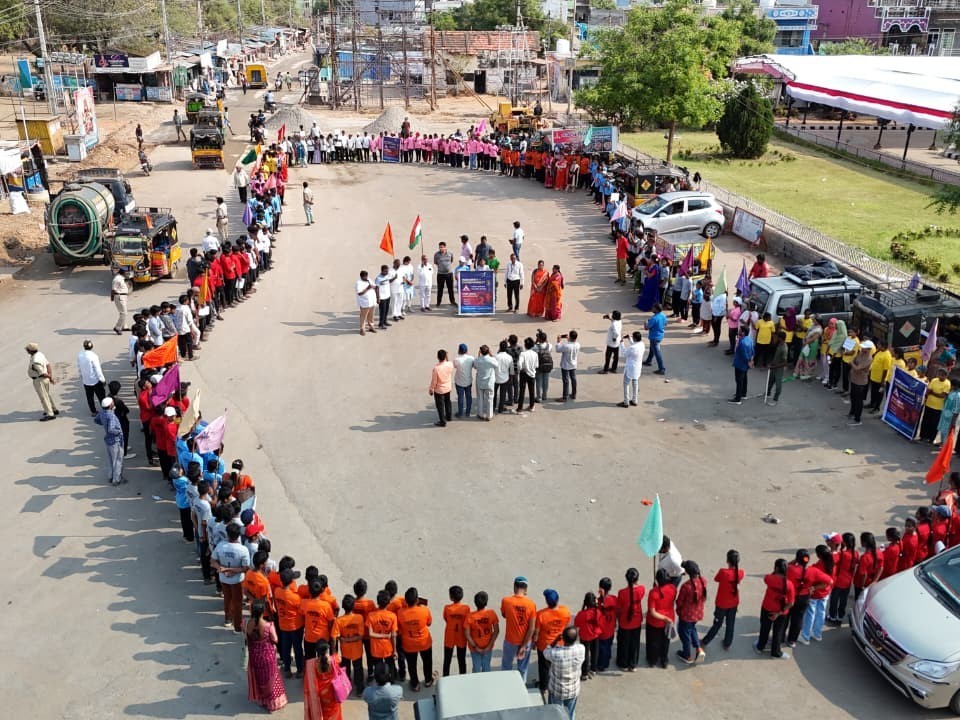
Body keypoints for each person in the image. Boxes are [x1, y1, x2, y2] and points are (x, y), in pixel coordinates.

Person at [246, 600, 288, 712]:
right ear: (262, 612)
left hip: (255, 656)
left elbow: (245, 636)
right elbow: (275, 639)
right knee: (271, 680)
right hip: (267, 657)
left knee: (260, 679)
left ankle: (262, 700)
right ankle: (272, 703)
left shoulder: (247, 624)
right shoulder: (268, 626)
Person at [211, 523, 251, 632]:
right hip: (237, 580)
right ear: (238, 535)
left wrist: (221, 569)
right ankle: (237, 627)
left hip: (223, 578)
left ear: (227, 534)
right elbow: (245, 568)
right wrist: (233, 571)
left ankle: (227, 619)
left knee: (227, 599)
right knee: (237, 602)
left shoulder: (220, 546)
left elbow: (213, 560)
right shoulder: (243, 549)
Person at [701, 549, 743, 651]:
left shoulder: (723, 572)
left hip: (721, 603)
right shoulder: (741, 573)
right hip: (733, 603)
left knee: (717, 623)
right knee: (730, 624)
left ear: (727, 560)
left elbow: (716, 579)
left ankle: (706, 641)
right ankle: (727, 644)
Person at [533, 589, 571, 695]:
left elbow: (536, 632)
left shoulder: (541, 614)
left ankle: (544, 687)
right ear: (557, 600)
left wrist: (534, 643)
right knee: (557, 666)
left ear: (546, 601)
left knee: (543, 667)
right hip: (560, 644)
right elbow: (567, 627)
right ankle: (557, 684)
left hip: (544, 646)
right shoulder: (565, 611)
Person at [754, 559, 794, 659]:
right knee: (778, 632)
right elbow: (791, 603)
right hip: (781, 611)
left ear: (776, 568)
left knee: (764, 628)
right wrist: (779, 613)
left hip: (767, 608)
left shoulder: (769, 578)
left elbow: (768, 577)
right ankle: (776, 652)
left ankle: (760, 647)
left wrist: (775, 572)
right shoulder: (789, 584)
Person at [397, 587, 434, 691]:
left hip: (409, 644)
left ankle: (415, 684)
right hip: (424, 642)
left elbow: (399, 627)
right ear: (417, 600)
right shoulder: (424, 610)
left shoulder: (400, 613)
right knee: (427, 662)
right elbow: (429, 623)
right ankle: (428, 680)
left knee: (411, 665)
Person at [544, 627, 585, 720]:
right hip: (573, 690)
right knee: (569, 714)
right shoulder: (581, 649)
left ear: (563, 638)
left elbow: (545, 651)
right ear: (576, 638)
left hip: (556, 690)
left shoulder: (555, 653)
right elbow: (577, 643)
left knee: (554, 714)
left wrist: (555, 640)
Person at [501, 576, 536, 680]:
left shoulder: (506, 601)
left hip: (510, 641)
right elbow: (532, 628)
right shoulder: (531, 604)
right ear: (526, 589)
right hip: (526, 642)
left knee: (506, 666)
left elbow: (504, 615)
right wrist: (523, 646)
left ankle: (505, 686)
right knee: (522, 668)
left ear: (514, 587)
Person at [799, 545, 834, 644]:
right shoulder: (831, 564)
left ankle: (805, 636)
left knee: (810, 615)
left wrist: (814, 588)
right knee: (821, 613)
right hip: (825, 593)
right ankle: (817, 634)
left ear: (818, 556)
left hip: (815, 594)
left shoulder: (817, 567)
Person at [274, 567, 305, 679]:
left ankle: (287, 669)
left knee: (286, 648)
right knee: (297, 648)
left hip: (283, 625)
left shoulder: (277, 591)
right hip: (296, 626)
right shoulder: (295, 597)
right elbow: (301, 610)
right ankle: (300, 670)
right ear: (292, 581)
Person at [645, 569, 677, 669]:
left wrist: (655, 588)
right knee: (665, 641)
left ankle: (652, 660)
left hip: (655, 622)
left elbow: (652, 612)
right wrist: (667, 618)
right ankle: (664, 661)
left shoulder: (653, 593)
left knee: (653, 642)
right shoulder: (673, 588)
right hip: (669, 618)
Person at [303, 641, 342, 720]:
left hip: (320, 695)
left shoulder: (311, 664)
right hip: (333, 692)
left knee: (323, 713)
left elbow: (307, 682)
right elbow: (339, 672)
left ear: (317, 652)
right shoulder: (334, 660)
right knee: (334, 712)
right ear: (328, 650)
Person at [615, 568, 644, 671]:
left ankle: (623, 663)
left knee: (624, 643)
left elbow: (619, 608)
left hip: (624, 621)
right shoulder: (641, 589)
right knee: (634, 643)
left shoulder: (622, 592)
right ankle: (633, 664)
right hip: (636, 621)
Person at [827, 533, 858, 626]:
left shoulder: (843, 554)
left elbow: (833, 559)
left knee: (834, 600)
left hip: (839, 580)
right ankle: (840, 617)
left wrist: (834, 548)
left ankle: (832, 616)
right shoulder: (855, 553)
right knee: (843, 600)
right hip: (848, 581)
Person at [466, 591, 500, 673]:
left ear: (475, 603)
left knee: (476, 668)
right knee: (486, 667)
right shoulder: (491, 613)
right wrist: (489, 646)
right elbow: (496, 631)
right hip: (488, 647)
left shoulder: (470, 616)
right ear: (486, 602)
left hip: (475, 648)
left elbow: (467, 634)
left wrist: (475, 647)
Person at [95, 398, 126, 485]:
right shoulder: (111, 416)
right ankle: (116, 479)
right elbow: (111, 429)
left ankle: (111, 476)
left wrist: (104, 423)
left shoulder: (102, 412)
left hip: (108, 440)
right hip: (115, 440)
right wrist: (118, 432)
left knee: (111, 459)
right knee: (118, 459)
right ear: (110, 405)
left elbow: (96, 420)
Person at [26, 342, 59, 420]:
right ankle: (53, 409)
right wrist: (50, 376)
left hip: (39, 380)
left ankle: (50, 414)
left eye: (27, 350)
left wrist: (50, 378)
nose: (27, 351)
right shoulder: (40, 354)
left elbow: (42, 373)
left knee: (43, 397)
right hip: (45, 380)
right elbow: (48, 365)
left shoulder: (35, 361)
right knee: (47, 395)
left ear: (30, 351)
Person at [442, 585, 470, 676]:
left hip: (449, 637)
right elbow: (467, 622)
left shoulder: (447, 608)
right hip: (461, 637)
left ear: (451, 597)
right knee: (461, 660)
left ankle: (446, 677)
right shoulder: (466, 608)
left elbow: (446, 618)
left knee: (447, 660)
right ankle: (462, 677)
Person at [848, 340, 875, 426]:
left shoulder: (868, 358)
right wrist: (853, 363)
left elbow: (857, 367)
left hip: (861, 382)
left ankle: (857, 419)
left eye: (864, 348)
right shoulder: (860, 353)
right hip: (854, 379)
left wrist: (852, 363)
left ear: (869, 349)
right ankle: (852, 412)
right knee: (852, 397)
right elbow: (854, 360)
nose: (862, 349)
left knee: (858, 401)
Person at [618, 331, 644, 408]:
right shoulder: (641, 344)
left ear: (635, 338)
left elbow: (624, 354)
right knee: (635, 382)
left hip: (630, 368)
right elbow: (635, 344)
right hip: (638, 367)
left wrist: (621, 342)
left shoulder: (632, 348)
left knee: (626, 384)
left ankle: (626, 402)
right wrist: (629, 339)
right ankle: (634, 400)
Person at [728, 326, 754, 405]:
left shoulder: (742, 342)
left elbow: (744, 355)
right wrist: (751, 360)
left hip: (740, 364)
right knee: (744, 378)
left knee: (739, 380)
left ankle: (737, 399)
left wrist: (748, 361)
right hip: (745, 364)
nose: (738, 331)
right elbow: (752, 351)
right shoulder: (749, 339)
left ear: (743, 332)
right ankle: (743, 393)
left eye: (740, 330)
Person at [429, 349, 454, 427]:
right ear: (445, 356)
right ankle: (449, 416)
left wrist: (431, 389)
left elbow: (434, 381)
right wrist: (447, 357)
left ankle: (442, 421)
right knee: (448, 402)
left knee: (440, 405)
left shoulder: (436, 368)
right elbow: (449, 363)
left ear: (437, 357)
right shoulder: (449, 364)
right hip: (447, 388)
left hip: (439, 390)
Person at [475, 345, 499, 421]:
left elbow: (475, 366)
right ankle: (489, 415)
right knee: (490, 399)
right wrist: (491, 355)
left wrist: (479, 356)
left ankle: (480, 414)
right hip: (489, 382)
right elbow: (497, 365)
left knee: (480, 398)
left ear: (481, 352)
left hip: (480, 382)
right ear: (488, 351)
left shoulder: (477, 360)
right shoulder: (491, 360)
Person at [555, 331, 580, 402]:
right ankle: (574, 394)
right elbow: (572, 343)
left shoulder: (566, 346)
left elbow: (558, 349)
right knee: (573, 379)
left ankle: (564, 397)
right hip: (573, 364)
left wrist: (558, 341)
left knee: (566, 381)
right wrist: (568, 339)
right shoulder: (578, 344)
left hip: (566, 365)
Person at [766, 331, 788, 405]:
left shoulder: (784, 348)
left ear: (780, 338)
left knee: (778, 385)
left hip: (778, 369)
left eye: (777, 337)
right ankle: (767, 393)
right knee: (770, 381)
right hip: (774, 366)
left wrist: (774, 366)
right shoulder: (779, 344)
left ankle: (775, 400)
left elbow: (785, 363)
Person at [644, 304, 667, 375]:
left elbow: (646, 328)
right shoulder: (663, 315)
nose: (652, 309)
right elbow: (665, 324)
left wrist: (645, 322)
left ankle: (662, 369)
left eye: (653, 308)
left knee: (657, 353)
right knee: (652, 349)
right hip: (660, 336)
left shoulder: (654, 318)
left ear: (656, 309)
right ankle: (648, 361)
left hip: (654, 337)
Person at [516, 337, 539, 413]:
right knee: (532, 391)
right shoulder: (535, 354)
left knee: (522, 391)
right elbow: (536, 365)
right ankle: (532, 406)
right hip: (532, 373)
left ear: (525, 345)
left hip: (524, 373)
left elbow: (519, 364)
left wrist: (520, 369)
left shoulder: (523, 354)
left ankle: (520, 408)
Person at [454, 344, 475, 418]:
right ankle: (468, 412)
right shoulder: (471, 358)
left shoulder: (457, 359)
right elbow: (473, 365)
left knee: (460, 398)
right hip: (468, 381)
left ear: (459, 350)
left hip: (459, 382)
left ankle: (460, 413)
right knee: (469, 397)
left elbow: (455, 366)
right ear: (466, 350)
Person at [434, 242, 456, 307]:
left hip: (449, 274)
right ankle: (438, 302)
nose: (441, 248)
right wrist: (442, 267)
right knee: (440, 289)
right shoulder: (436, 254)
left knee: (450, 288)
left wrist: (446, 267)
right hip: (440, 274)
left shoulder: (450, 254)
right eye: (440, 247)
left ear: (445, 247)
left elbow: (451, 261)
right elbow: (435, 262)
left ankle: (452, 301)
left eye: (442, 247)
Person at [356, 270, 377, 335]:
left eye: (367, 276)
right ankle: (362, 329)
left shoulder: (369, 279)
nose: (366, 278)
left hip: (372, 302)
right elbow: (360, 293)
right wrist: (367, 288)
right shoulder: (358, 283)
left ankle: (371, 326)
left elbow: (374, 286)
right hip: (364, 303)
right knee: (363, 316)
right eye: (365, 277)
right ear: (361, 277)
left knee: (371, 315)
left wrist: (373, 287)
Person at [111, 269, 129, 335]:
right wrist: (112, 298)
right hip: (120, 297)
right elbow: (113, 289)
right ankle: (117, 327)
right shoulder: (117, 279)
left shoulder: (121, 278)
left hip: (123, 296)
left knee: (124, 312)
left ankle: (124, 326)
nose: (127, 274)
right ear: (123, 273)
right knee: (124, 313)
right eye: (126, 273)